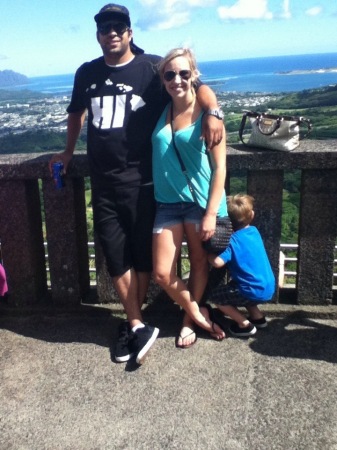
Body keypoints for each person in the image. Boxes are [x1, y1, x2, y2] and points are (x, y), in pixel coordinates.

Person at [49, 4, 224, 364]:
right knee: (115, 258)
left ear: (130, 32)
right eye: (104, 28)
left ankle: (138, 323)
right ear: (97, 35)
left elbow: (198, 86)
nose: (111, 32)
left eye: (118, 26)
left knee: (145, 260)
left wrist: (215, 112)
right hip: (102, 182)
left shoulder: (151, 68)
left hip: (144, 183)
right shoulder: (86, 73)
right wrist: (67, 152)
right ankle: (138, 323)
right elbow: (74, 114)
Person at [152, 48, 228, 348]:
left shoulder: (207, 115)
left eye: (184, 73)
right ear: (163, 79)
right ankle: (198, 312)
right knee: (161, 272)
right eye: (170, 74)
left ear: (193, 74)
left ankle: (186, 323)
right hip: (167, 203)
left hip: (199, 203)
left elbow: (221, 167)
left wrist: (210, 214)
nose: (177, 80)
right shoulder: (164, 106)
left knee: (199, 262)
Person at [207, 194, 276, 337]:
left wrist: (206, 253)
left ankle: (244, 324)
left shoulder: (231, 241)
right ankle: (258, 318)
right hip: (268, 287)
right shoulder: (254, 232)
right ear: (252, 215)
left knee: (215, 296)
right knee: (240, 285)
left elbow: (217, 263)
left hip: (250, 290)